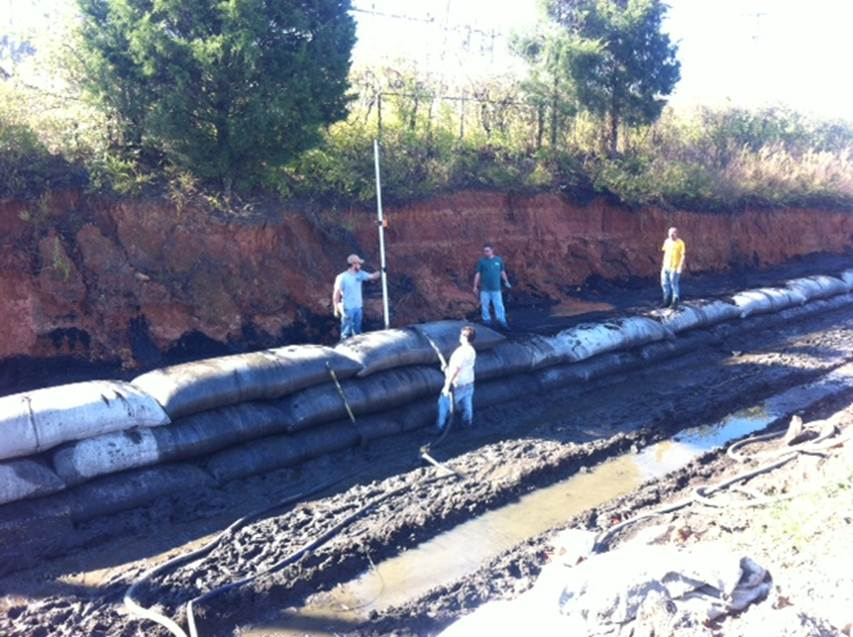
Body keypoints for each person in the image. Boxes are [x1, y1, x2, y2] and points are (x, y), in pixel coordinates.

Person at [435, 326, 477, 433]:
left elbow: (457, 369)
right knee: (467, 405)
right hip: (469, 383)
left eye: (461, 334)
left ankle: (440, 427)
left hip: (457, 383)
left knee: (443, 403)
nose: (459, 336)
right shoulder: (472, 350)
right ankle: (467, 422)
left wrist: (448, 384)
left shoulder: (461, 352)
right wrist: (447, 369)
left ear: (464, 337)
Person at [332, 254, 381, 340]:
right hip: (348, 308)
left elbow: (372, 276)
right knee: (346, 332)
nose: (360, 266)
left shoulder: (360, 274)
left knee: (357, 331)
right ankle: (344, 346)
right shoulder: (342, 277)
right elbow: (337, 293)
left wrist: (381, 271)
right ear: (353, 264)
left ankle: (358, 348)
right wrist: (336, 307)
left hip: (358, 307)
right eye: (358, 264)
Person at [473, 243, 511, 328]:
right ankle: (487, 321)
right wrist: (475, 286)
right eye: (484, 251)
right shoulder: (481, 261)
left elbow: (502, 271)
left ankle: (501, 320)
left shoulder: (498, 260)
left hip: (496, 288)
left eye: (487, 251)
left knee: (499, 305)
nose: (485, 253)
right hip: (485, 289)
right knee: (485, 305)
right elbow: (478, 274)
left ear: (492, 250)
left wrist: (506, 281)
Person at [661, 226, 686, 308]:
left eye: (673, 233)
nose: (671, 235)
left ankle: (675, 302)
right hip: (666, 266)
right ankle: (666, 300)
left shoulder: (680, 243)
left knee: (674, 284)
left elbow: (683, 256)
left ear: (676, 233)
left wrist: (680, 267)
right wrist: (663, 264)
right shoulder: (667, 242)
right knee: (664, 283)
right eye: (670, 233)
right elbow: (665, 253)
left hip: (674, 268)